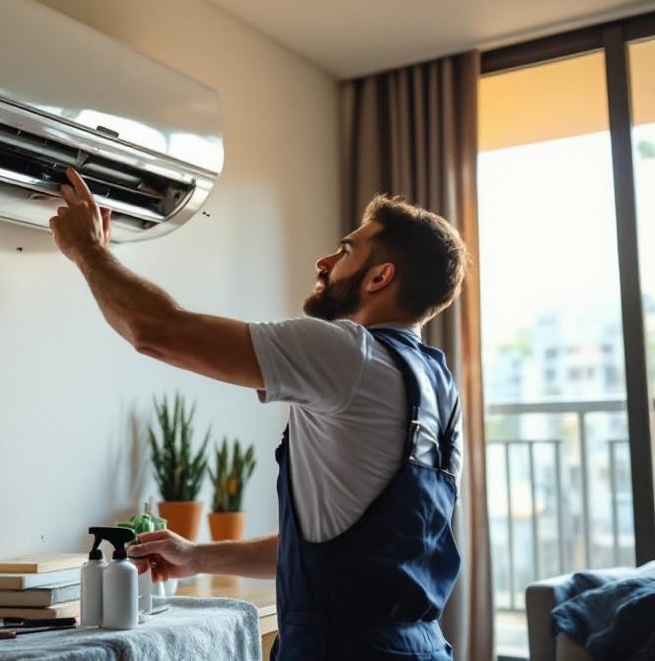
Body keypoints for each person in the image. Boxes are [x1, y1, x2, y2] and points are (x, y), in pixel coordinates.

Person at [49, 168, 469, 660]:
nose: (325, 260)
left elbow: (157, 331)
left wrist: (88, 250)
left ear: (380, 277)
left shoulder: (350, 352)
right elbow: (334, 555)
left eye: (347, 250)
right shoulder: (439, 388)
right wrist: (197, 556)